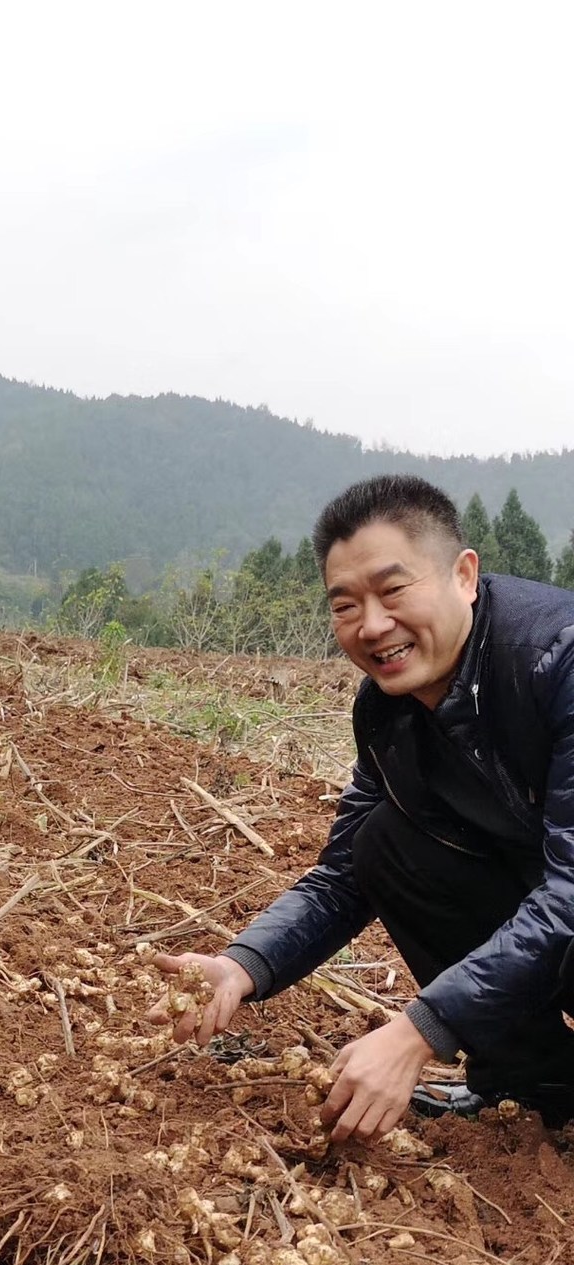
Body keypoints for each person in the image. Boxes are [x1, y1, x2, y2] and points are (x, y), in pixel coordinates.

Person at [148, 475, 574, 1141]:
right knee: (385, 846)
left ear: (464, 576)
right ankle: (540, 1088)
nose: (373, 626)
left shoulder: (559, 659)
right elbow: (346, 872)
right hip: (549, 908)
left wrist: (418, 1032)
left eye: (394, 590)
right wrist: (244, 964)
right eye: (346, 605)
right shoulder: (387, 715)